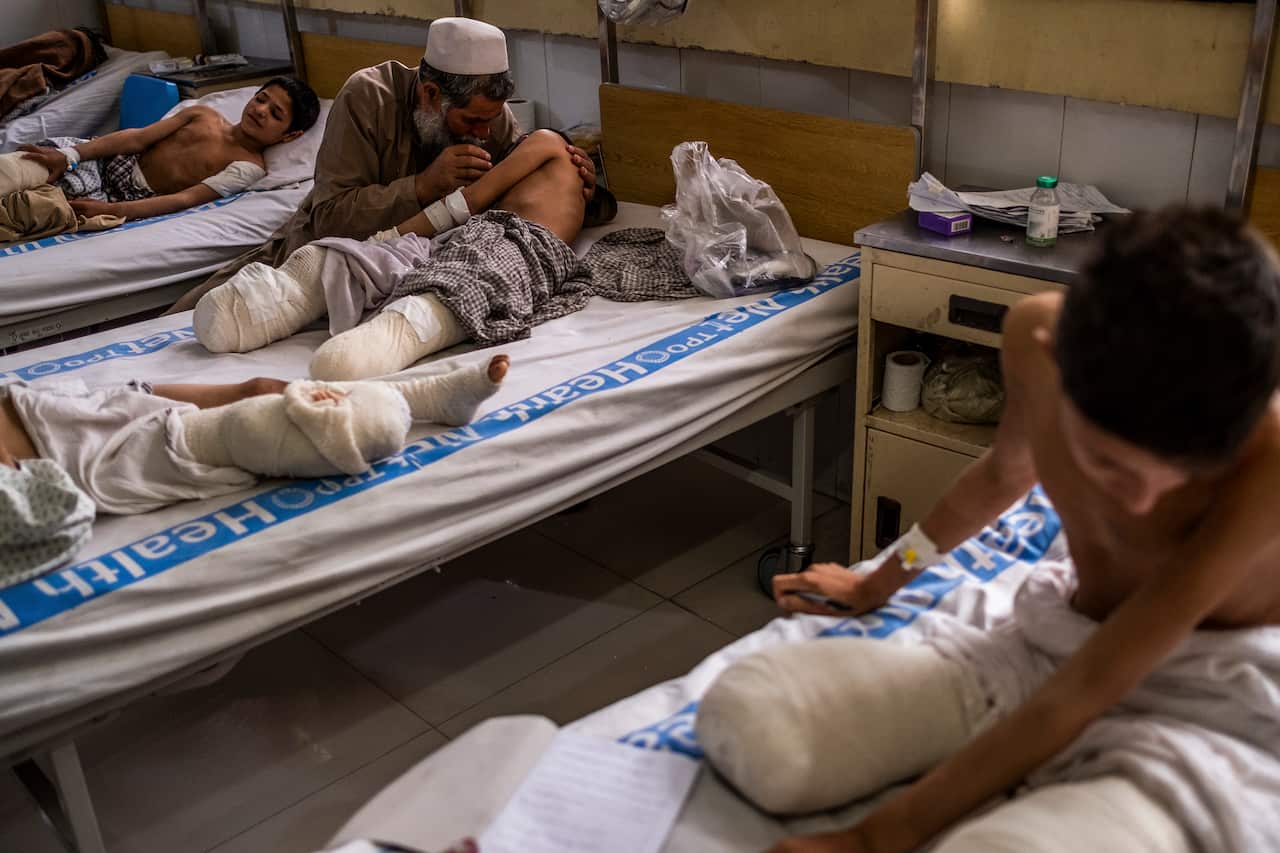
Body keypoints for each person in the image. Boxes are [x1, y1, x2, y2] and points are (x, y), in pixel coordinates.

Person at [698, 208, 1280, 851]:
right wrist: (882, 580)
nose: (1143, 504)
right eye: (1112, 467)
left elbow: (1092, 685)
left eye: (1189, 477)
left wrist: (872, 839)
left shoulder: (1272, 457)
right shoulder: (1038, 337)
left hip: (1210, 701)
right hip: (1057, 640)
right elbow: (1001, 476)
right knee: (754, 721)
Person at [167, 16, 599, 314]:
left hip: (422, 267)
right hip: (315, 254)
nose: (485, 134)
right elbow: (329, 217)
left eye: (490, 122)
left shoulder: (487, 116)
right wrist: (424, 186)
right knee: (190, 320)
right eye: (472, 122)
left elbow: (528, 209)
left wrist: (584, 184)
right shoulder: (367, 96)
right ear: (430, 94)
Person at [193, 126, 602, 381]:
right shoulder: (371, 96)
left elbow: (471, 199)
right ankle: (290, 290)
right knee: (380, 256)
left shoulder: (547, 144)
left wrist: (391, 232)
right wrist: (388, 242)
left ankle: (403, 331)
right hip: (473, 235)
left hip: (520, 246)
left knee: (463, 281)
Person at [0, 355, 508, 517]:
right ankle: (426, 400)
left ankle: (427, 400)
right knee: (254, 427)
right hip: (81, 451)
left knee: (261, 387)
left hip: (73, 403)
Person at [8, 76, 320, 221]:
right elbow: (137, 138)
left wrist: (112, 210)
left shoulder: (248, 167)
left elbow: (184, 199)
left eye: (276, 114)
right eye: (261, 99)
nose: (261, 110)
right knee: (27, 164)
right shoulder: (203, 115)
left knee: (31, 209)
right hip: (106, 159)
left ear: (289, 136)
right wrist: (71, 155)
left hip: (122, 195)